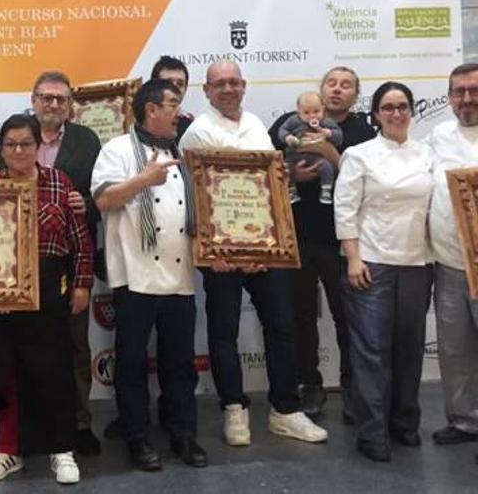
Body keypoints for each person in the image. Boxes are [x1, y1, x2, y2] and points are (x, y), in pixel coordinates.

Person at [181, 61, 328, 448]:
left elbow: (270, 189)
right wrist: (212, 249)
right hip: (222, 255)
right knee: (224, 330)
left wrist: (269, 244)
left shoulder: (258, 127)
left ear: (244, 86)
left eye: (234, 82)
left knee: (281, 325)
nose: (228, 89)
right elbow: (195, 198)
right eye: (220, 84)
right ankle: (234, 408)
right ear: (207, 90)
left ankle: (285, 409)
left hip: (266, 250)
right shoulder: (198, 132)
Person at [91, 78, 206, 471]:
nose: (179, 111)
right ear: (150, 110)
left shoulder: (184, 152)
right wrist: (144, 180)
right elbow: (104, 200)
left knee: (180, 361)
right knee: (132, 360)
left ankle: (183, 433)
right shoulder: (117, 149)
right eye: (172, 103)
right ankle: (137, 436)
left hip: (179, 275)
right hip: (134, 276)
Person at [0, 71, 103, 456]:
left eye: (60, 98)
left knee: (71, 352)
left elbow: (96, 194)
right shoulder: (13, 137)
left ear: (70, 103)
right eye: (46, 97)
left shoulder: (86, 141)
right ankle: (20, 438)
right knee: (15, 359)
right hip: (10, 275)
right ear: (33, 99)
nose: (53, 104)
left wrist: (82, 280)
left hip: (62, 267)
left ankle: (78, 426)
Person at [0, 114, 91, 484]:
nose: (18, 150)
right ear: (1, 148)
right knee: (5, 371)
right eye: (10, 144)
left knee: (54, 370)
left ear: (37, 146)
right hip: (0, 290)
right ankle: (8, 449)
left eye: (26, 143)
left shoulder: (59, 184)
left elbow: (80, 240)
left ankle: (62, 449)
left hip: (48, 285)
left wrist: (81, 284)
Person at [268, 66, 376, 421]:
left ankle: (352, 387)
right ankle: (310, 385)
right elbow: (263, 168)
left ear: (355, 94)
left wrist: (332, 156)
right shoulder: (290, 122)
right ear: (321, 89)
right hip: (296, 238)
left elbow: (371, 181)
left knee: (347, 316)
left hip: (343, 242)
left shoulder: (362, 131)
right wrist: (290, 175)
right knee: (300, 315)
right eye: (331, 83)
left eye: (346, 85)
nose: (337, 90)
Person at [334, 81, 433, 462]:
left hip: (417, 263)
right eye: (388, 107)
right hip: (371, 262)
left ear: (411, 111)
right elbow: (344, 210)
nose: (396, 113)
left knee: (409, 348)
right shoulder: (360, 155)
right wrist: (354, 258)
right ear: (375, 114)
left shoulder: (426, 154)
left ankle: (404, 422)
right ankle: (371, 431)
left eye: (402, 106)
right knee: (372, 350)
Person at [426, 63, 478, 447]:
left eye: (474, 90)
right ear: (448, 97)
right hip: (448, 260)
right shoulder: (438, 136)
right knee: (455, 346)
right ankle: (464, 421)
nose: (467, 99)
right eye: (459, 92)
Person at [277, 91, 343, 204]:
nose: (312, 115)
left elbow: (339, 136)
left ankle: (326, 190)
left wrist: (328, 133)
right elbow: (282, 131)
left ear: (323, 109)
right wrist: (288, 138)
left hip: (317, 157)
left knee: (326, 167)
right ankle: (291, 191)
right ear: (298, 112)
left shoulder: (326, 122)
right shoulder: (293, 121)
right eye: (306, 113)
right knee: (287, 169)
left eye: (316, 111)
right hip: (295, 155)